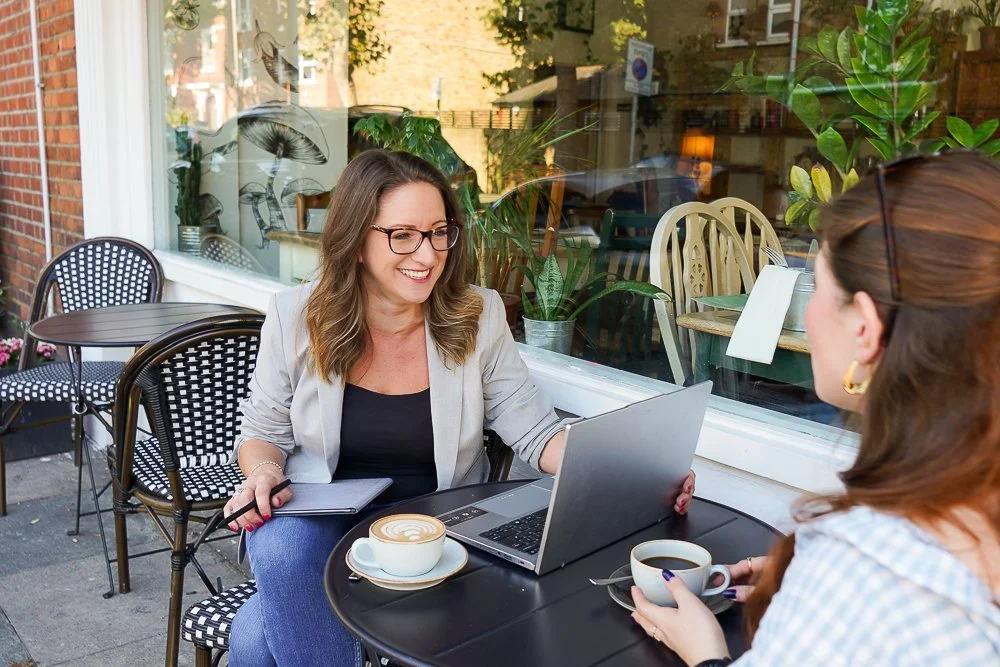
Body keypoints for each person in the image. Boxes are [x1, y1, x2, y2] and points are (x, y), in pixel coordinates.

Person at [225, 149, 696, 666]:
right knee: (277, 547)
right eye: (402, 235)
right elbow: (263, 430)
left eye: (438, 232)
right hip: (322, 520)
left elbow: (537, 433)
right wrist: (264, 473)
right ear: (357, 240)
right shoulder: (296, 315)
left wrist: (636, 470)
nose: (426, 255)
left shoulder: (477, 316)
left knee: (251, 641)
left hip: (433, 525)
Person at [631, 151, 1000, 665]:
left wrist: (707, 653)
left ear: (864, 329)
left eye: (816, 287)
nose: (806, 308)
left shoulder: (865, 571)